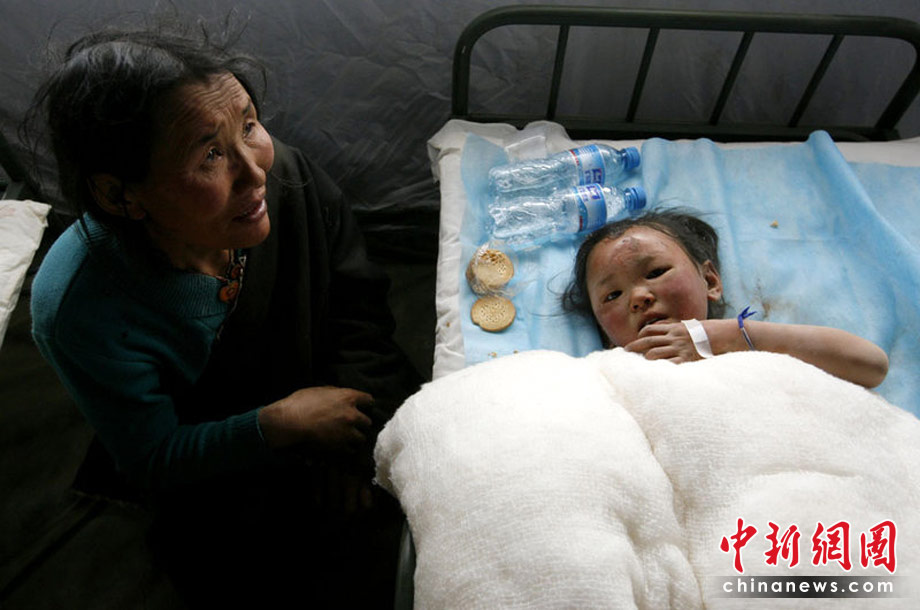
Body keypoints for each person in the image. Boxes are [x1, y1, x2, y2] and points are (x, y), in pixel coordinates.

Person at [25, 23, 422, 608]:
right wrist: (277, 424)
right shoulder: (82, 308)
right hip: (226, 471)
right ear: (119, 195)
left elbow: (357, 309)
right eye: (210, 154)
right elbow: (153, 456)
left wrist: (349, 444)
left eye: (249, 125)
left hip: (330, 407)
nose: (256, 171)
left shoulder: (286, 182)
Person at [562, 209, 889, 389]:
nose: (638, 297)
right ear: (603, 330)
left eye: (656, 272)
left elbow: (871, 365)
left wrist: (722, 337)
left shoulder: (751, 348)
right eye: (612, 295)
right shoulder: (605, 377)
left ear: (710, 281)